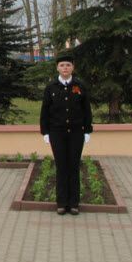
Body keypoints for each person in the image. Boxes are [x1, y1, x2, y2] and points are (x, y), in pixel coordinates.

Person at [39, 55, 92, 216]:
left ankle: (74, 204)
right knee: (61, 166)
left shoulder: (80, 86)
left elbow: (86, 109)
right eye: (62, 65)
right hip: (57, 133)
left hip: (76, 133)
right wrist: (45, 131)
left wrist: (87, 130)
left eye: (68, 65)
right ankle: (62, 203)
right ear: (57, 68)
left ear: (72, 68)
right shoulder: (51, 87)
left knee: (74, 166)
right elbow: (45, 111)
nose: (65, 68)